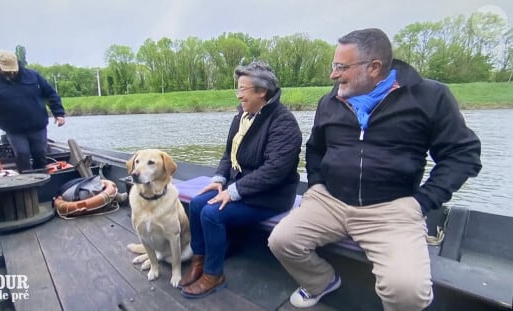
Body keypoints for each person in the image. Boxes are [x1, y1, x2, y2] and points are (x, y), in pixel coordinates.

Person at [268, 28, 482, 310]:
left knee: (406, 291)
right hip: (329, 200)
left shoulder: (429, 97)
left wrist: (423, 202)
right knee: (281, 241)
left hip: (391, 209)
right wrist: (317, 185)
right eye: (334, 66)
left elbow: (463, 154)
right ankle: (321, 281)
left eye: (340, 67)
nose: (333, 74)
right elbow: (316, 148)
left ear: (374, 68)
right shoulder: (330, 101)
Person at [179, 61, 302, 298]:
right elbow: (229, 153)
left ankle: (214, 275)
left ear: (261, 91)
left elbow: (274, 171)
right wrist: (219, 178)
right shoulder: (243, 116)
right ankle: (199, 262)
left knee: (211, 213)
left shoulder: (283, 122)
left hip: (270, 197)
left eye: (242, 89)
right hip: (242, 187)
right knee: (196, 204)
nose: (238, 95)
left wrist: (233, 191)